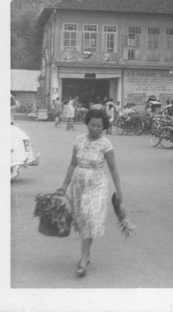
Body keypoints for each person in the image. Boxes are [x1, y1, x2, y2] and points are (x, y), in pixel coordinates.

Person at [59, 108, 124, 277]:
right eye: (92, 125)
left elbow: (114, 169)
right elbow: (72, 164)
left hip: (97, 187)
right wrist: (64, 185)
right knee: (83, 221)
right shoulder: (79, 140)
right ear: (87, 123)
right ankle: (86, 253)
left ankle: (83, 259)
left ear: (104, 127)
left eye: (99, 126)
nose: (95, 129)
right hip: (79, 187)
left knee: (89, 219)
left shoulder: (106, 144)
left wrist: (119, 190)